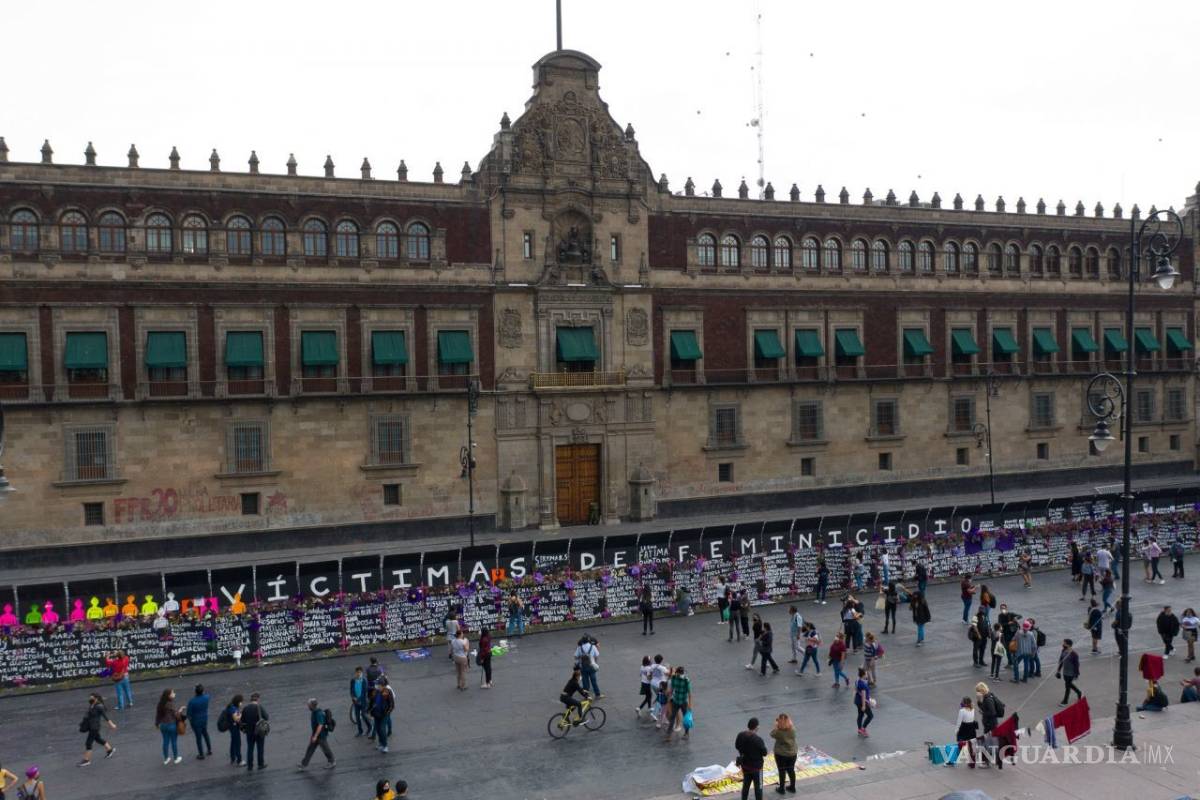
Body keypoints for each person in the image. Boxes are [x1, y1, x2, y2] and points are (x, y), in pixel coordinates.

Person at [79, 692, 117, 766]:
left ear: (96, 698)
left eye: (91, 698)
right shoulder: (92, 705)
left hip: (95, 727)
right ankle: (110, 750)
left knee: (88, 743)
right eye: (90, 697)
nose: (90, 699)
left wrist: (112, 725)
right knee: (98, 739)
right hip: (91, 726)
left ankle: (86, 760)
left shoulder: (99, 706)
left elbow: (105, 717)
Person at [734, 718, 768, 800]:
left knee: (746, 785)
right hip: (757, 768)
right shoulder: (758, 740)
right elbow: (764, 753)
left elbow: (737, 746)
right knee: (758, 787)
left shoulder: (741, 735)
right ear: (757, 727)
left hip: (745, 765)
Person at [297, 698, 335, 770]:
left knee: (325, 749)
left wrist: (315, 736)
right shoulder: (314, 712)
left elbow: (320, 725)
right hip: (316, 735)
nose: (307, 706)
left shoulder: (318, 713)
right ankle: (304, 764)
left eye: (308, 705)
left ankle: (332, 761)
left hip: (321, 735)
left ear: (312, 706)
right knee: (310, 749)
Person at [976, 682, 1004, 769]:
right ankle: (995, 760)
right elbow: (983, 707)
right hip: (990, 724)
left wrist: (983, 712)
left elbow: (992, 712)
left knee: (987, 743)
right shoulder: (987, 696)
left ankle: (986, 762)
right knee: (992, 743)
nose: (976, 693)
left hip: (990, 725)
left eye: (977, 691)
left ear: (981, 691)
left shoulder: (988, 700)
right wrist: (979, 701)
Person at [240, 691, 268, 770]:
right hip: (259, 731)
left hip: (249, 731)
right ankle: (260, 764)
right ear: (258, 699)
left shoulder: (245, 708)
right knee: (260, 748)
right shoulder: (259, 707)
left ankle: (250, 766)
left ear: (250, 699)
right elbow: (266, 717)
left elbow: (242, 720)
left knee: (250, 749)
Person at [663, 665, 692, 743]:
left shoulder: (686, 680)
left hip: (683, 702)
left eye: (682, 673)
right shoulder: (674, 679)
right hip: (676, 701)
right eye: (681, 673)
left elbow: (689, 694)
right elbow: (672, 690)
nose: (682, 674)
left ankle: (686, 733)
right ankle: (668, 735)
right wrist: (668, 700)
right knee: (672, 718)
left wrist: (690, 705)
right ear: (677, 673)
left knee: (686, 718)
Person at [769, 713, 797, 794]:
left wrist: (776, 726)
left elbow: (771, 734)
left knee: (782, 771)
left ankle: (782, 788)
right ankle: (792, 787)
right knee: (791, 769)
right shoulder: (792, 729)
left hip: (781, 754)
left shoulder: (778, 732)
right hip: (792, 753)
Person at [155, 689, 181, 765]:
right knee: (174, 742)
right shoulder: (170, 704)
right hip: (172, 725)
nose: (174, 694)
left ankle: (166, 759)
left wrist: (157, 724)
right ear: (168, 695)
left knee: (165, 742)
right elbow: (176, 714)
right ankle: (176, 758)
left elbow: (158, 715)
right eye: (172, 693)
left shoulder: (160, 704)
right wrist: (180, 710)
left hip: (163, 725)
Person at [186, 684, 212, 760]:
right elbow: (206, 695)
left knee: (198, 738)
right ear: (203, 691)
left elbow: (188, 714)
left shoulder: (192, 701)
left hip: (196, 721)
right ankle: (209, 750)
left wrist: (190, 720)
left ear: (195, 692)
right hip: (204, 719)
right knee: (205, 734)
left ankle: (201, 754)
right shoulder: (206, 697)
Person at [954, 697, 980, 768]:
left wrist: (956, 731)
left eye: (962, 702)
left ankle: (954, 758)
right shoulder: (973, 709)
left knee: (960, 744)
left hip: (964, 729)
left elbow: (959, 722)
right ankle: (972, 763)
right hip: (971, 729)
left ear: (964, 703)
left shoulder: (962, 711)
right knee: (971, 746)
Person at [371, 678, 394, 754]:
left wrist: (388, 712)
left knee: (382, 729)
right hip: (376, 714)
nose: (376, 686)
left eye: (378, 684)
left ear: (382, 685)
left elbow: (392, 704)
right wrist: (369, 710)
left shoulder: (387, 692)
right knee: (378, 729)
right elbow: (372, 701)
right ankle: (381, 743)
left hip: (384, 715)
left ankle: (385, 745)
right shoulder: (375, 692)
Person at [1056, 639, 1082, 706]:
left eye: (1064, 643)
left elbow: (1077, 665)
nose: (1063, 644)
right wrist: (1058, 671)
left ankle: (1065, 701)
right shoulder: (1063, 651)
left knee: (1067, 686)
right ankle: (1079, 692)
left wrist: (1076, 674)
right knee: (1069, 684)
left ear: (1068, 645)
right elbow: (1061, 661)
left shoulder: (1074, 654)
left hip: (1071, 673)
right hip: (1065, 672)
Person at [222, 694, 243, 765]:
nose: (241, 703)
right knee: (237, 743)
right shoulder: (233, 708)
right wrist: (241, 715)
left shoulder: (231, 706)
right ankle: (239, 760)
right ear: (238, 702)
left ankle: (233, 757)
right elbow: (236, 719)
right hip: (234, 727)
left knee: (233, 742)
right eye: (241, 702)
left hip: (231, 727)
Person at [350, 666, 372, 737]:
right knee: (357, 717)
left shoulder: (364, 681)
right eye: (357, 672)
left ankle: (369, 727)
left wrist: (358, 699)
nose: (358, 674)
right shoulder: (353, 680)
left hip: (363, 701)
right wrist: (353, 697)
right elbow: (351, 690)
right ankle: (360, 731)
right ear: (355, 673)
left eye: (360, 672)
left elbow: (364, 692)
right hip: (355, 702)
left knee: (363, 715)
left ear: (362, 673)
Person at [854, 668, 873, 737]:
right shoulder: (863, 684)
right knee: (870, 716)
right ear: (863, 675)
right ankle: (863, 728)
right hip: (862, 702)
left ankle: (859, 729)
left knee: (860, 715)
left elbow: (856, 690)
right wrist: (864, 705)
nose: (867, 675)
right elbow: (863, 695)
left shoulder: (857, 681)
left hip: (857, 701)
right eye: (866, 674)